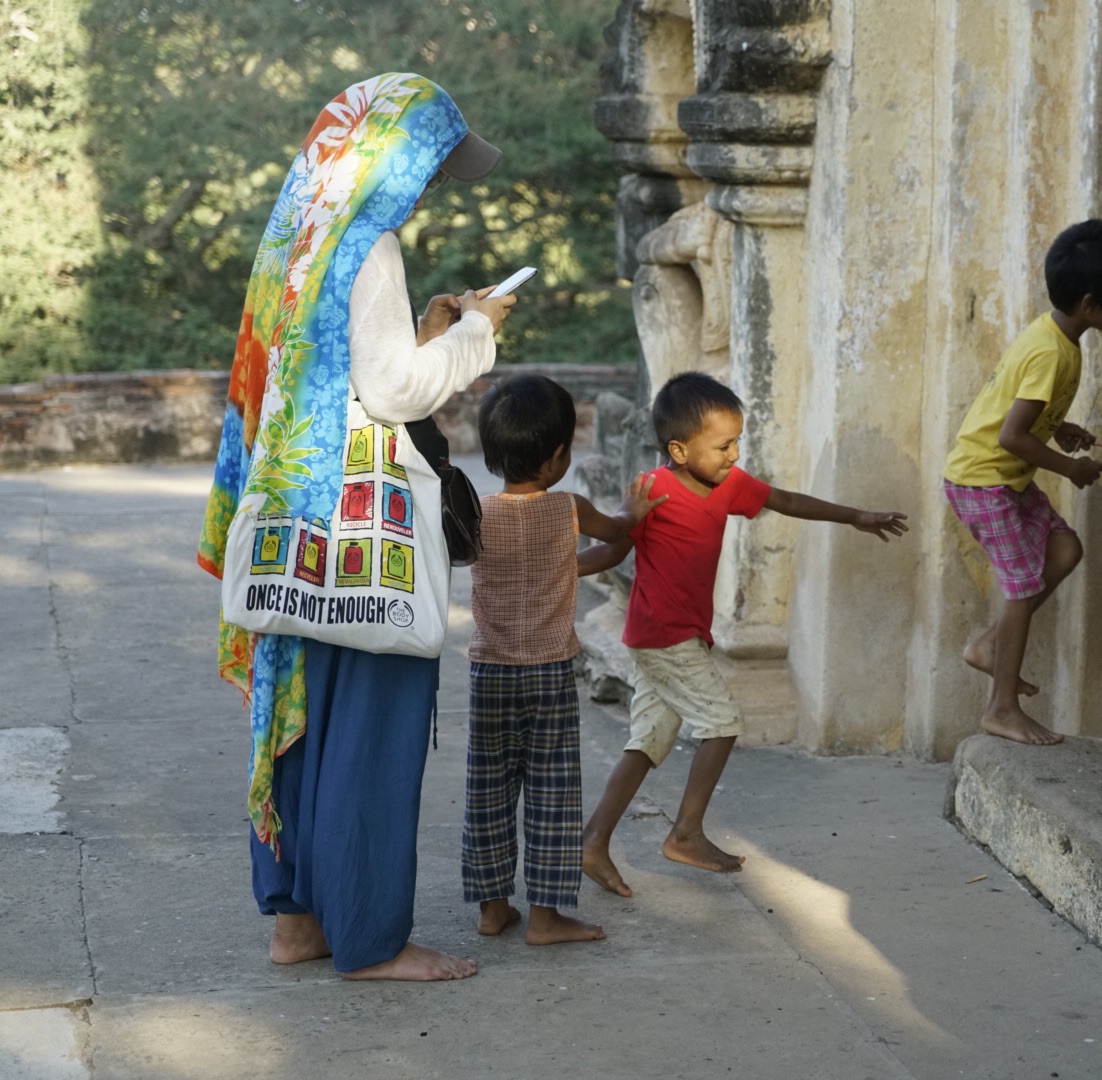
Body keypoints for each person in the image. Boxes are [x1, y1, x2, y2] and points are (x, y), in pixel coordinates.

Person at [197, 74, 516, 981]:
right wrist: (479, 333)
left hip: (297, 519)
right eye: (430, 169)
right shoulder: (368, 245)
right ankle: (373, 937)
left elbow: (332, 371)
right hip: (360, 531)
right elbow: (391, 392)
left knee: (302, 717)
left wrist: (425, 330)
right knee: (371, 730)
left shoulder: (297, 238)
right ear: (394, 157)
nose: (428, 189)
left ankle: (297, 922)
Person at [579, 372, 909, 895]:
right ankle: (685, 833)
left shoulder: (728, 484)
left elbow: (786, 501)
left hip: (675, 635)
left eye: (737, 441)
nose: (734, 454)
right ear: (679, 449)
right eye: (723, 444)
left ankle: (593, 842)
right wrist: (559, 569)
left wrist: (856, 517)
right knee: (723, 721)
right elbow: (616, 547)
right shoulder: (654, 492)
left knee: (648, 739)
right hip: (663, 635)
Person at [461, 374, 663, 944]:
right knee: (552, 790)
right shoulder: (566, 509)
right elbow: (621, 537)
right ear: (556, 459)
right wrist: (633, 510)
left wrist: (557, 572)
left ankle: (492, 907)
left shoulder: (477, 513)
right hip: (548, 671)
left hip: (489, 671)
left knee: (488, 789)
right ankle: (547, 917)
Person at [942, 219, 1102, 746]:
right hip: (984, 482)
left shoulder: (1057, 337)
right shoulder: (1052, 352)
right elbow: (1011, 436)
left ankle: (990, 647)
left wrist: (1060, 427)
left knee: (1063, 549)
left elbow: (1019, 414)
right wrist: (1068, 466)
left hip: (999, 479)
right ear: (1089, 301)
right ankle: (1001, 709)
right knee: (1023, 584)